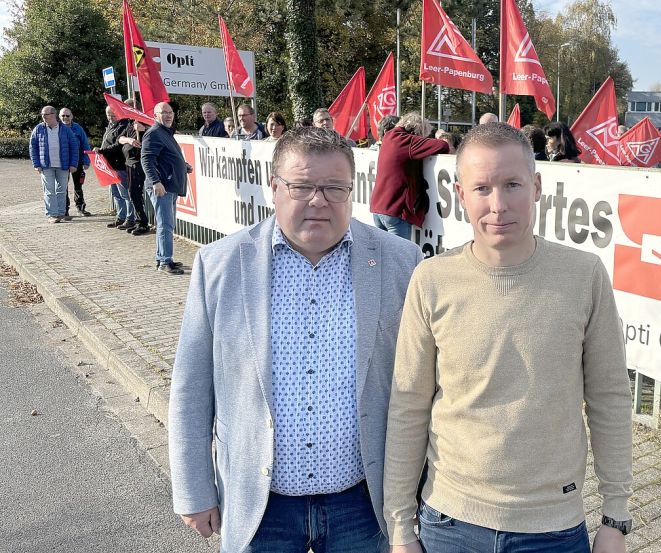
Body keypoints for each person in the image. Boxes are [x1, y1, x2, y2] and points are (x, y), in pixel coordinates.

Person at [168, 126, 422, 553]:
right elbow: (191, 388)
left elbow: (421, 387)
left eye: (334, 188)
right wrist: (194, 490)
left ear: (351, 190)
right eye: (302, 186)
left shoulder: (401, 261)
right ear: (274, 187)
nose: (318, 201)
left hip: (362, 502)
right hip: (259, 505)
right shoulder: (220, 265)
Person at [384, 122, 633, 553]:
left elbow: (609, 396)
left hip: (553, 526)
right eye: (481, 188)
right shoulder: (431, 280)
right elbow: (408, 405)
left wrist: (616, 515)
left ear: (536, 187)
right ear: (460, 195)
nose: (498, 205)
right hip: (450, 522)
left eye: (512, 184)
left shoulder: (583, 275)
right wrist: (401, 528)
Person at [370, 112, 449, 239]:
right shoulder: (407, 140)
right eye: (423, 134)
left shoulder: (389, 137)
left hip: (378, 209)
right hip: (395, 210)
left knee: (384, 255)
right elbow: (443, 145)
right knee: (400, 257)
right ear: (416, 131)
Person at [141, 102, 190, 275]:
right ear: (155, 116)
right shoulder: (154, 133)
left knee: (167, 224)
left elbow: (166, 158)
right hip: (162, 187)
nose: (169, 115)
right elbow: (146, 159)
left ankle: (163, 257)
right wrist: (156, 181)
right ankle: (164, 262)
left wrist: (183, 167)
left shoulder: (165, 133)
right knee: (165, 225)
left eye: (170, 112)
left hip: (169, 185)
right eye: (164, 113)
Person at [30, 105, 79, 223]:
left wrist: (73, 164)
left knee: (62, 190)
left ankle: (61, 213)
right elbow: (33, 147)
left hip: (63, 165)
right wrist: (36, 164)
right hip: (46, 166)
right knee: (49, 191)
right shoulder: (38, 129)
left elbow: (74, 147)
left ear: (53, 115)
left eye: (45, 115)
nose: (43, 117)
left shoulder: (65, 129)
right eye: (42, 115)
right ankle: (52, 214)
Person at [92, 104, 135, 228]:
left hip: (119, 164)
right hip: (110, 165)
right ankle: (121, 216)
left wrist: (102, 150)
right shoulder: (110, 126)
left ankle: (130, 218)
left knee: (125, 193)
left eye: (113, 115)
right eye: (108, 115)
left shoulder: (123, 126)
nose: (110, 118)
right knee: (116, 193)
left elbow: (118, 145)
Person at [118, 119, 151, 235]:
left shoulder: (147, 122)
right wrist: (130, 140)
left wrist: (145, 129)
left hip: (139, 162)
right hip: (129, 162)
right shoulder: (130, 125)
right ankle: (139, 220)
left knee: (137, 192)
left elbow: (162, 132)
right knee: (133, 193)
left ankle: (143, 223)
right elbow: (120, 139)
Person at [58, 108, 92, 217]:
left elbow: (85, 144)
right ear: (59, 116)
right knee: (63, 187)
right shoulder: (57, 128)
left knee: (78, 186)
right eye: (63, 116)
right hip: (62, 162)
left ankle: (81, 208)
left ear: (72, 116)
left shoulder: (78, 128)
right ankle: (65, 210)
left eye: (67, 116)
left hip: (77, 161)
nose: (65, 118)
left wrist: (86, 161)